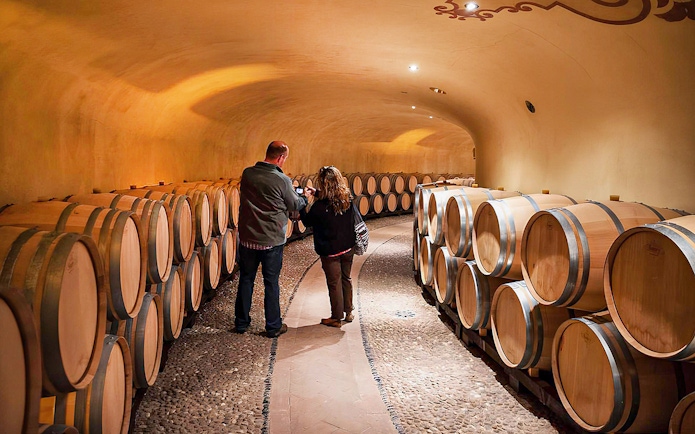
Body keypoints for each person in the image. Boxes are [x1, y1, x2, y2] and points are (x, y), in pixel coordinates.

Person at [234, 141, 308, 338]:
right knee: (271, 282)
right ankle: (273, 326)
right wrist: (306, 197)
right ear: (281, 158)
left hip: (248, 238)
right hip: (271, 240)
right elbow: (295, 203)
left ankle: (241, 323)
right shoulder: (282, 179)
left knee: (246, 279)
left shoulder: (248, 173)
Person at [300, 166, 356, 328]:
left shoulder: (319, 207)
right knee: (346, 278)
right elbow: (332, 199)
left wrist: (303, 202)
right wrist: (316, 192)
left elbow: (307, 221)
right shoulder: (347, 198)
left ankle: (336, 317)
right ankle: (349, 311)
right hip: (348, 246)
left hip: (331, 250)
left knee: (334, 282)